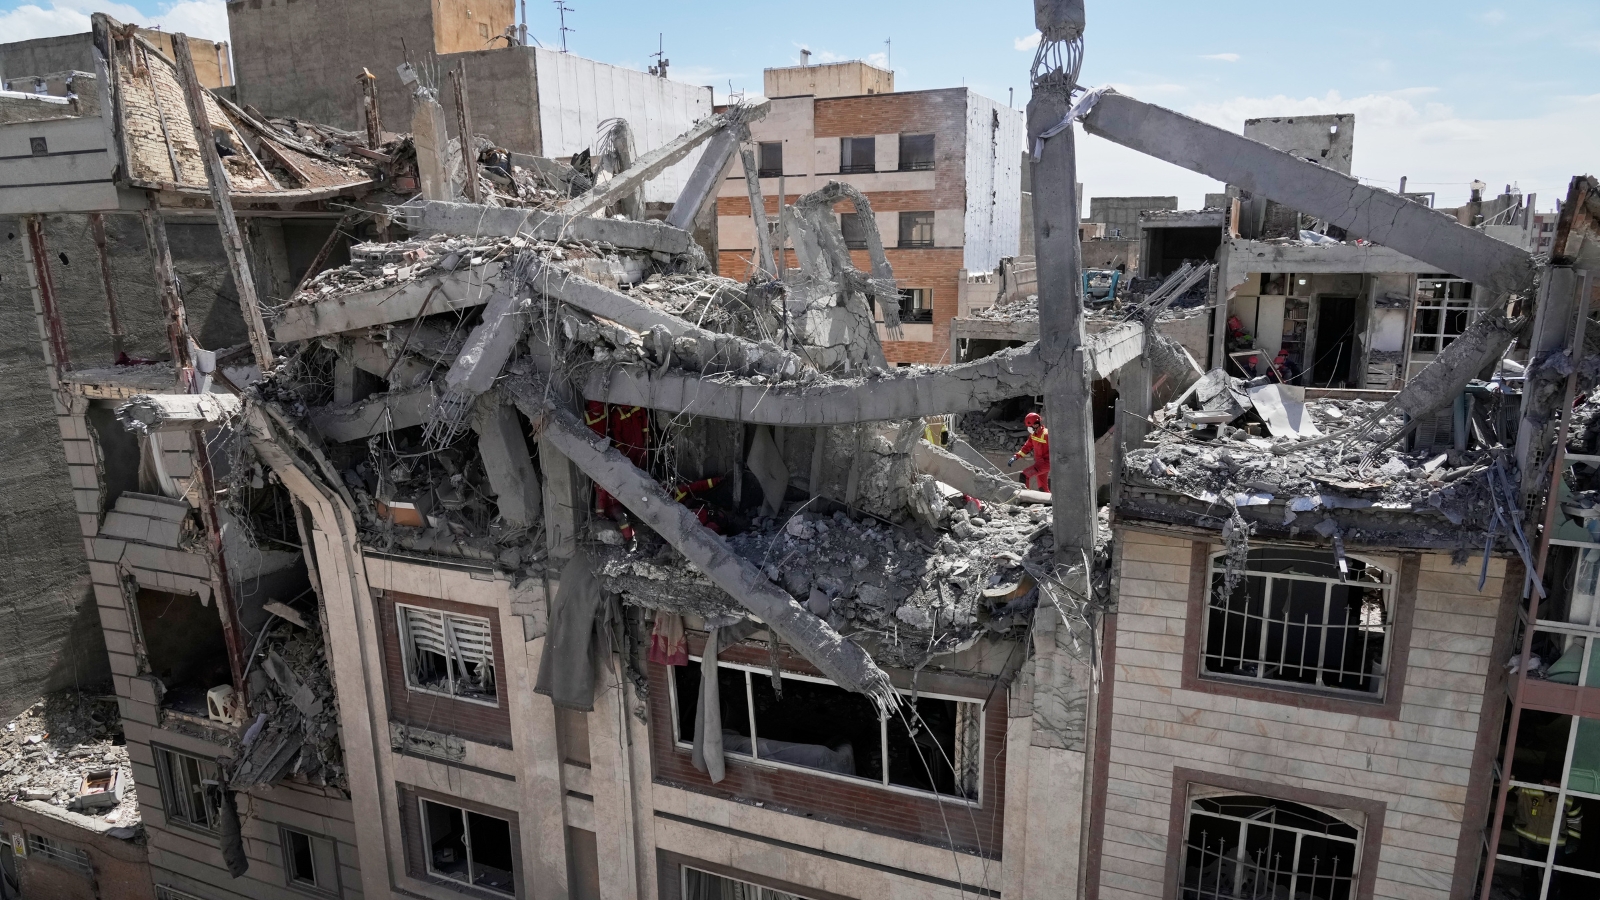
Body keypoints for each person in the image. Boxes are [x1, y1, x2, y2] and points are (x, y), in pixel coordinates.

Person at [1008, 412, 1051, 492]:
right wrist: (1016, 456)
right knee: (1042, 487)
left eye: (1030, 426)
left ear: (1036, 424)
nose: (1029, 429)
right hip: (1039, 462)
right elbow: (1027, 447)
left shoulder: (1047, 435)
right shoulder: (1033, 435)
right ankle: (1048, 499)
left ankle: (1025, 496)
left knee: (1024, 475)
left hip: (1046, 463)